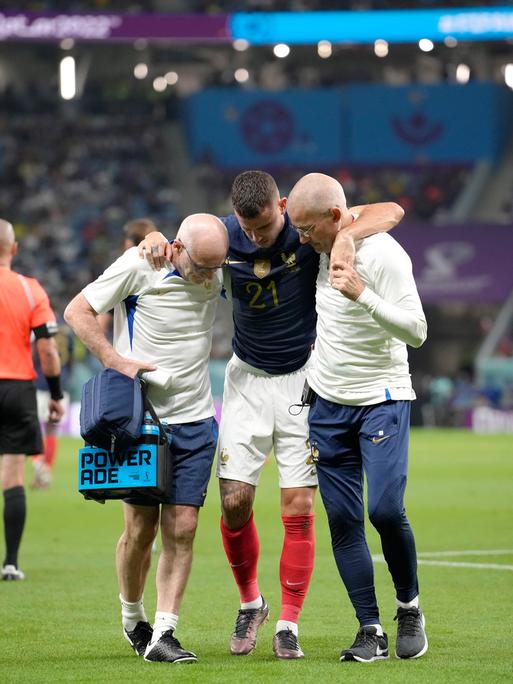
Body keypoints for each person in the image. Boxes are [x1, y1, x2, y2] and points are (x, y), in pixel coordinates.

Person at [139, 170, 405, 659]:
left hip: (304, 379)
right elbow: (178, 246)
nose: (257, 238)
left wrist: (345, 235)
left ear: (282, 206)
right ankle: (251, 603)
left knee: (298, 507)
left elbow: (390, 212)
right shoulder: (223, 238)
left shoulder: (307, 233)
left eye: (264, 227)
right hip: (245, 378)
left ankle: (288, 623)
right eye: (249, 229)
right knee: (235, 501)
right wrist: (157, 238)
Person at [64, 213, 228, 664]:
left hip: (196, 420)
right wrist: (114, 359)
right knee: (140, 530)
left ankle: (164, 634)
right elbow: (76, 311)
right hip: (143, 423)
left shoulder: (217, 266)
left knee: (185, 527)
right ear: (176, 247)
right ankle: (132, 617)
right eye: (201, 266)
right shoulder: (139, 266)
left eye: (216, 267)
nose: (209, 277)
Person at [286, 172, 428, 663]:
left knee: (385, 510)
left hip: (382, 397)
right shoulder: (320, 245)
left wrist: (362, 296)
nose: (301, 240)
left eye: (307, 230)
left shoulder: (387, 256)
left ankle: (409, 607)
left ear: (333, 217)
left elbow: (417, 332)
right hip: (326, 404)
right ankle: (369, 628)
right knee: (343, 520)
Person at [0, 219, 65, 580]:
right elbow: (48, 350)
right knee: (12, 475)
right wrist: (55, 393)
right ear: (14, 249)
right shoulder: (29, 289)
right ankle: (10, 562)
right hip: (17, 387)